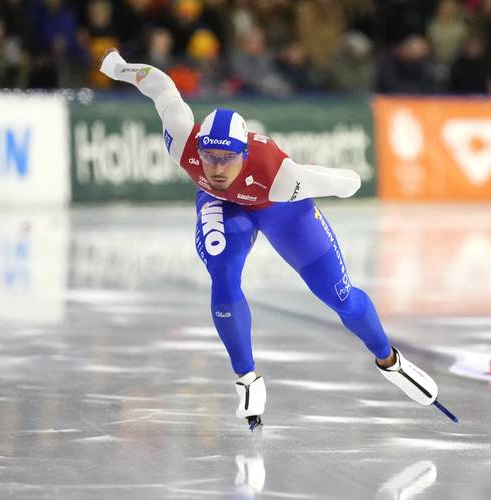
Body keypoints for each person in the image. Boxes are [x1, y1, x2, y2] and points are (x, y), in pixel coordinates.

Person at [99, 48, 447, 429]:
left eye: (226, 158)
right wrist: (119, 67)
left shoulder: (282, 176)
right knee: (224, 271)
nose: (215, 167)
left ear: (244, 154)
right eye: (209, 157)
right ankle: (247, 378)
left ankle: (388, 359)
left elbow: (351, 184)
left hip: (280, 208)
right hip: (224, 206)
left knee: (340, 297)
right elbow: (160, 86)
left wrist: (316, 176)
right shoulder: (182, 141)